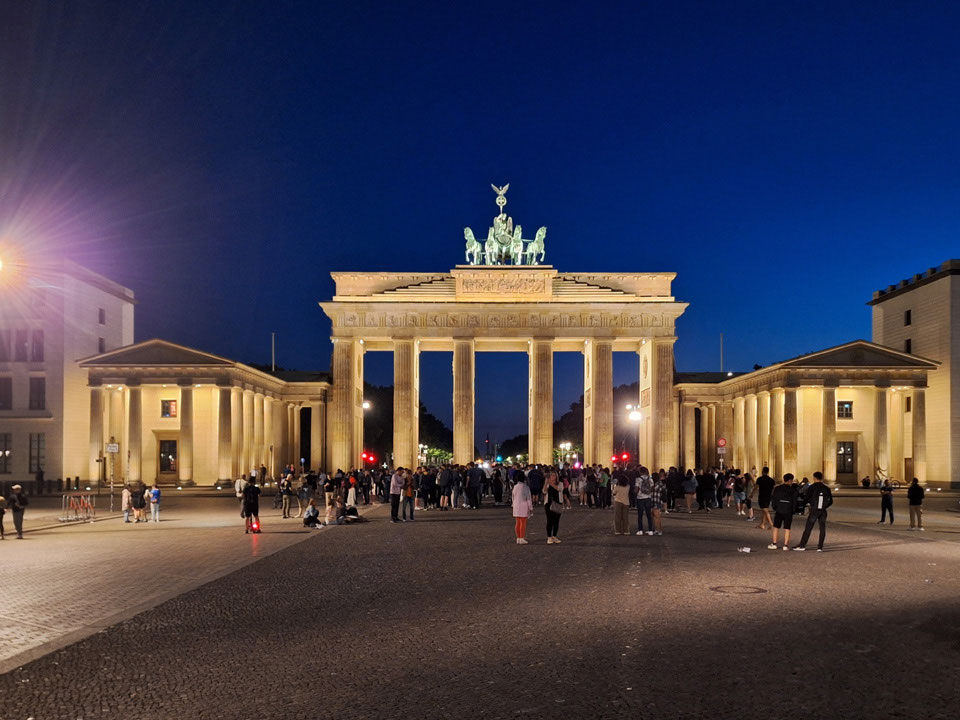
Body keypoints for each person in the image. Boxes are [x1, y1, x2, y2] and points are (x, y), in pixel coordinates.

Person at [794, 471, 832, 551]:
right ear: (822, 478)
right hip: (823, 510)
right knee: (822, 529)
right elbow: (831, 501)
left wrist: (805, 504)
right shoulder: (826, 488)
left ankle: (802, 545)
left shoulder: (812, 487)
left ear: (814, 478)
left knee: (808, 528)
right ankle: (820, 547)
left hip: (814, 509)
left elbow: (806, 498)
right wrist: (824, 506)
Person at [769, 474, 797, 550]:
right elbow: (794, 501)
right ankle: (785, 545)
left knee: (776, 527)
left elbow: (774, 498)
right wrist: (793, 510)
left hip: (779, 509)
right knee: (787, 528)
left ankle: (774, 543)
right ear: (790, 480)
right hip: (788, 510)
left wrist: (775, 507)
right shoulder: (793, 490)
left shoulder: (777, 488)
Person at [512, 472, 533, 544]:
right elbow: (528, 498)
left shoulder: (515, 487)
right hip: (523, 506)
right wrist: (530, 508)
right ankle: (522, 537)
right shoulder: (525, 487)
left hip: (516, 505)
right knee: (523, 523)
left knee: (517, 522)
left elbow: (513, 497)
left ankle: (518, 537)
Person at [544, 471, 563, 544]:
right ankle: (549, 537)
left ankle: (554, 536)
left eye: (554, 475)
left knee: (556, 521)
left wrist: (551, 483)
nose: (552, 477)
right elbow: (544, 491)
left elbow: (559, 489)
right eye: (551, 476)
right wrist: (546, 484)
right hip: (548, 504)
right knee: (549, 520)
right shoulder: (548, 484)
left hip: (558, 503)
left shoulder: (560, 484)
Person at [635, 469, 655, 535]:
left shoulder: (638, 479)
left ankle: (640, 530)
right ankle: (650, 530)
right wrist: (648, 492)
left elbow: (636, 489)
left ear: (640, 472)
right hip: (648, 498)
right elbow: (652, 488)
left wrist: (635, 493)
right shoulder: (650, 479)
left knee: (640, 515)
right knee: (649, 515)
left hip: (640, 498)